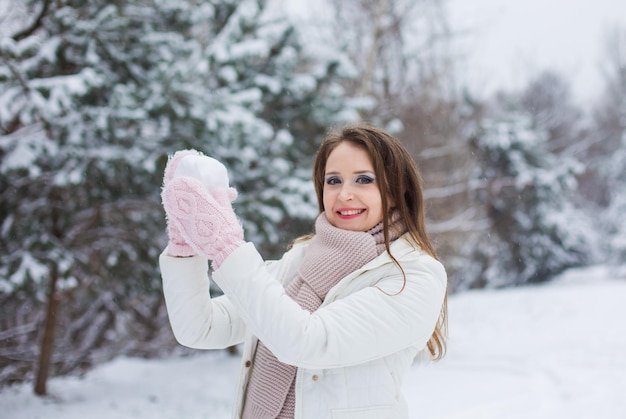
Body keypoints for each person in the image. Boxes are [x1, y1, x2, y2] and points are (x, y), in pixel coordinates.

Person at [159, 123, 448, 419]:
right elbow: (200, 328)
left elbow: (307, 342)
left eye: (363, 179)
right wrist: (186, 242)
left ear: (397, 191)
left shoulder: (412, 276)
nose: (344, 194)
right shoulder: (300, 261)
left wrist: (227, 247)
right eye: (333, 181)